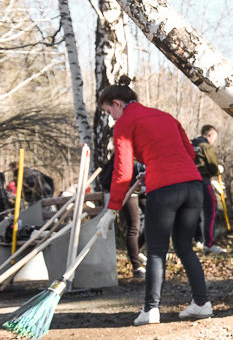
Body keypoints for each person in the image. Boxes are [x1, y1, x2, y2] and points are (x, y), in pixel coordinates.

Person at [98, 76, 212, 325]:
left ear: (117, 103)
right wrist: (150, 169)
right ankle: (202, 303)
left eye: (109, 111)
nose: (112, 118)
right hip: (193, 186)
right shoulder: (164, 116)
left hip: (165, 189)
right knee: (184, 247)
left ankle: (150, 310)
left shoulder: (125, 123)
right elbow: (188, 153)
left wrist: (112, 208)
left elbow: (122, 172)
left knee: (157, 252)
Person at [97, 154, 146, 278]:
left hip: (143, 187)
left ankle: (136, 251)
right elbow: (122, 174)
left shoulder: (145, 148)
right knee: (134, 226)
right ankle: (136, 267)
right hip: (127, 188)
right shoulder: (125, 152)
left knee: (154, 220)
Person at [191, 124, 226, 254]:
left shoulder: (190, 145)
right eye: (214, 138)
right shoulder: (206, 147)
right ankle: (210, 243)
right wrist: (218, 171)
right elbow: (213, 167)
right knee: (211, 210)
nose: (213, 141)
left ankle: (198, 240)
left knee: (195, 212)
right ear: (210, 135)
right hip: (203, 182)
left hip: (189, 183)